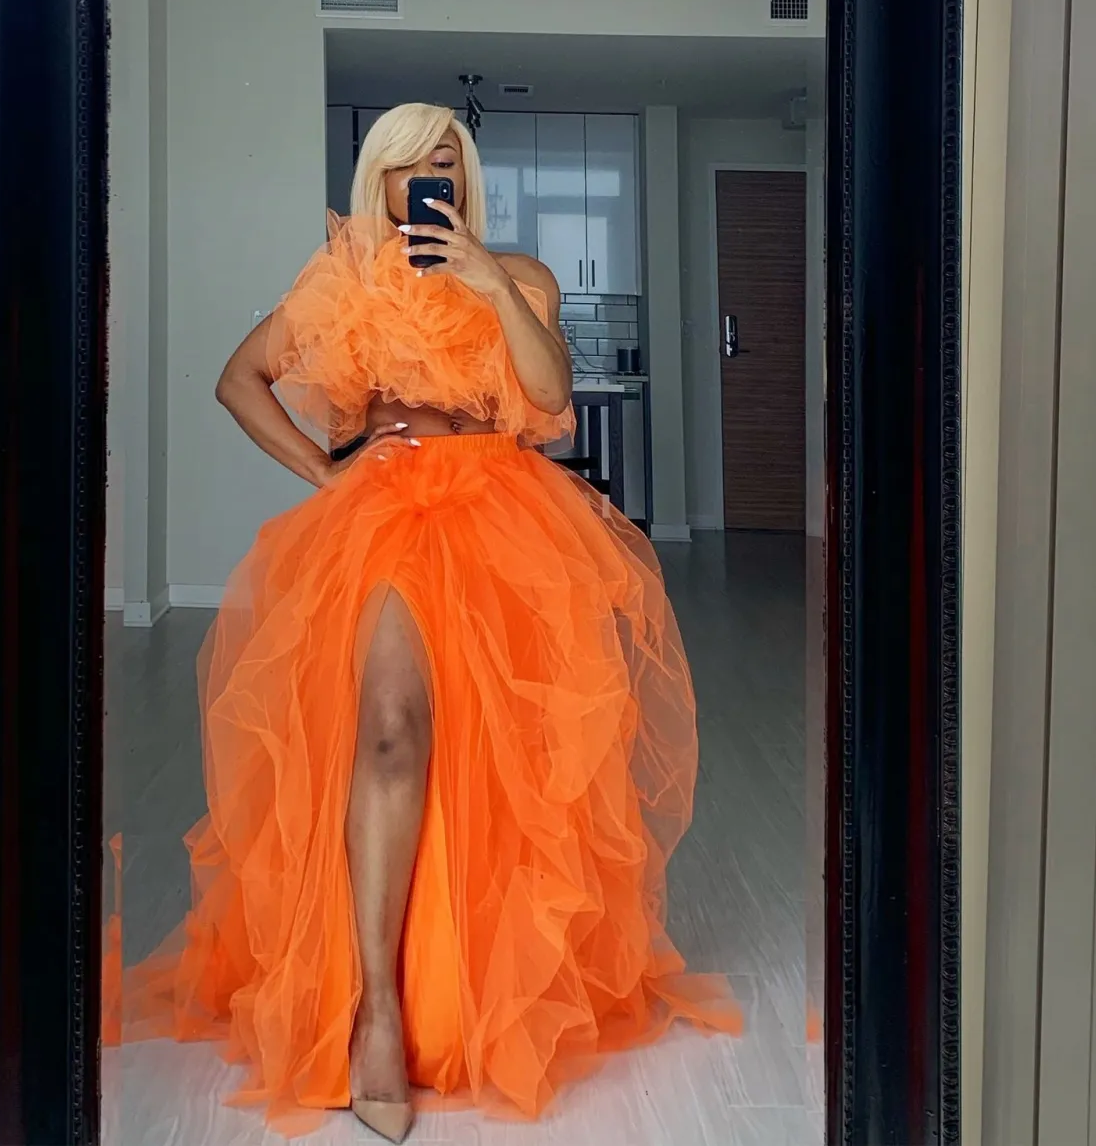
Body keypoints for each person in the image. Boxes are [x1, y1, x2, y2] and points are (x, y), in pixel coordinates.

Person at [114, 103, 741, 1141]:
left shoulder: (521, 275)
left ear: (466, 176)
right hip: (385, 516)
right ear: (380, 181)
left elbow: (551, 394)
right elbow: (239, 380)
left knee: (501, 757)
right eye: (406, 165)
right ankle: (377, 1009)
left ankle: (470, 984)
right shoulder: (345, 279)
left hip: (504, 515)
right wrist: (326, 472)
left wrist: (488, 279)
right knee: (391, 734)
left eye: (443, 160)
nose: (425, 179)